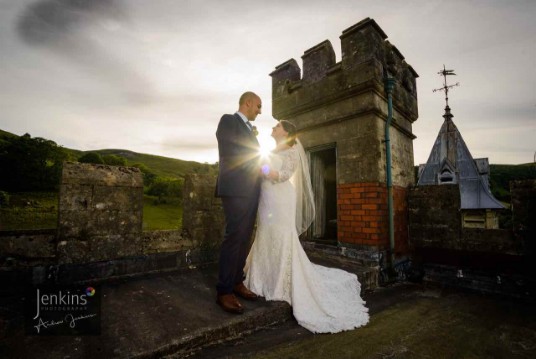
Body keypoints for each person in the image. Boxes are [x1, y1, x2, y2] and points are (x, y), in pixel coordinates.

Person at [244, 120, 369, 333]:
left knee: (281, 235)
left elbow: (283, 175)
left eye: (277, 126)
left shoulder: (292, 151)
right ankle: (262, 275)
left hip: (280, 198)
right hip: (266, 198)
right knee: (265, 232)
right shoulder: (271, 149)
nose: (273, 128)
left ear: (286, 132)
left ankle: (280, 279)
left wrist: (261, 167)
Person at [215, 91, 263, 314]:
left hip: (251, 189)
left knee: (245, 237)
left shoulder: (250, 130)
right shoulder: (228, 120)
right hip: (235, 187)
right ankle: (224, 291)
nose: (259, 111)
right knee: (234, 236)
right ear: (248, 102)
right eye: (258, 106)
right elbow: (229, 150)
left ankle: (237, 281)